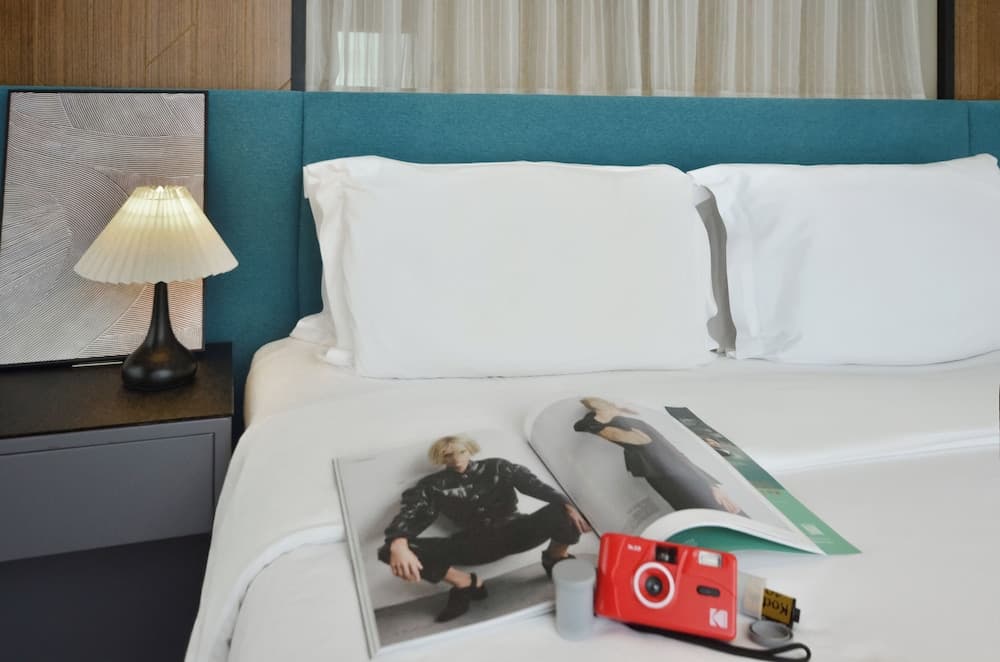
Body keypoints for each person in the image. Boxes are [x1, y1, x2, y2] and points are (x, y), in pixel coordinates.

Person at [378, 434, 590, 623]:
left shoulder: (498, 466)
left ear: (470, 450)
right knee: (390, 549)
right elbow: (412, 512)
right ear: (440, 458)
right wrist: (398, 541)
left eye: (461, 452)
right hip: (475, 544)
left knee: (565, 508)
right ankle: (465, 583)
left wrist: (567, 504)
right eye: (448, 455)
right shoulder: (431, 486)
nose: (456, 459)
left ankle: (555, 558)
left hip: (518, 532)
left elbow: (534, 485)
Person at [573, 397, 743, 515]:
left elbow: (673, 454)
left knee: (716, 515)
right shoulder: (621, 425)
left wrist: (710, 484)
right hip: (676, 476)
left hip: (680, 477)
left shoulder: (629, 424)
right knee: (712, 516)